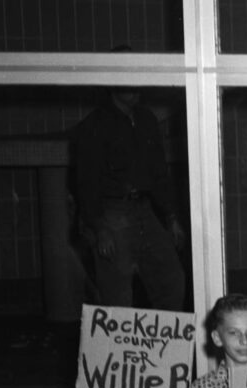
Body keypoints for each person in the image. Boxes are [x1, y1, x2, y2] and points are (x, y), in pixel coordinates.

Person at [72, 85, 186, 310]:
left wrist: (171, 217)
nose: (136, 88)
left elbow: (159, 172)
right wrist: (99, 227)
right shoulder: (94, 125)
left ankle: (166, 340)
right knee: (116, 293)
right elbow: (85, 183)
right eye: (128, 81)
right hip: (112, 211)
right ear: (113, 86)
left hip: (145, 208)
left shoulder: (146, 119)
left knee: (172, 279)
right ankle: (118, 342)